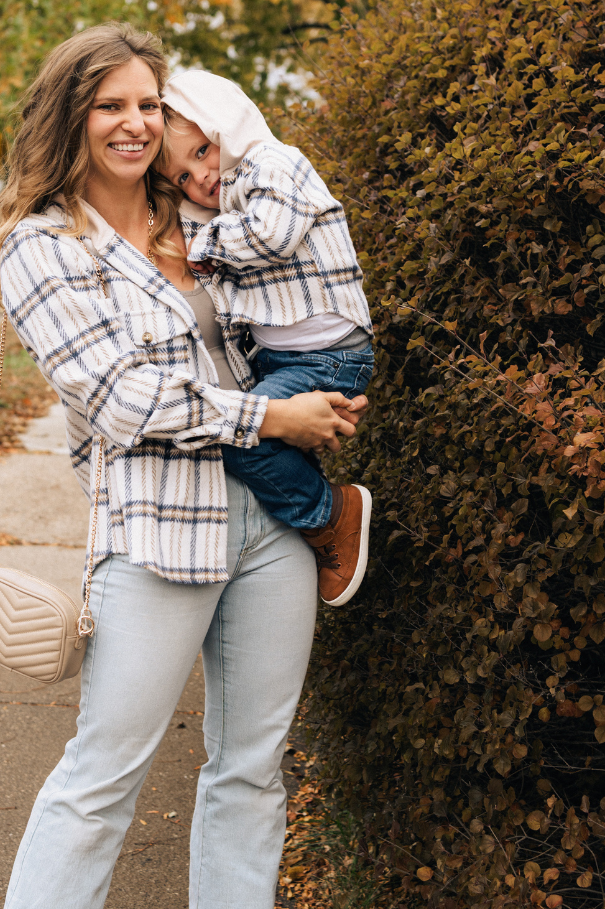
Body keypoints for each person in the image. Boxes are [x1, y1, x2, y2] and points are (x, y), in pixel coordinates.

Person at [0, 23, 368, 909]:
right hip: (156, 536)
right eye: (111, 105)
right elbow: (119, 395)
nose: (136, 123)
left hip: (272, 533)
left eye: (150, 104)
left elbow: (290, 311)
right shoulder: (42, 247)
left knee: (251, 771)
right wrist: (273, 424)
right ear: (73, 118)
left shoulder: (204, 212)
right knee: (100, 780)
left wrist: (320, 388)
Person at [156, 70, 375, 607]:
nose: (200, 176)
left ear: (225, 126)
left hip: (331, 355)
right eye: (183, 177)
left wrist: (199, 240)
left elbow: (272, 236)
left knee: (231, 431)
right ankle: (312, 514)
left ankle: (329, 517)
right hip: (284, 357)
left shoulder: (274, 164)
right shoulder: (224, 203)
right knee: (253, 428)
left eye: (203, 151)